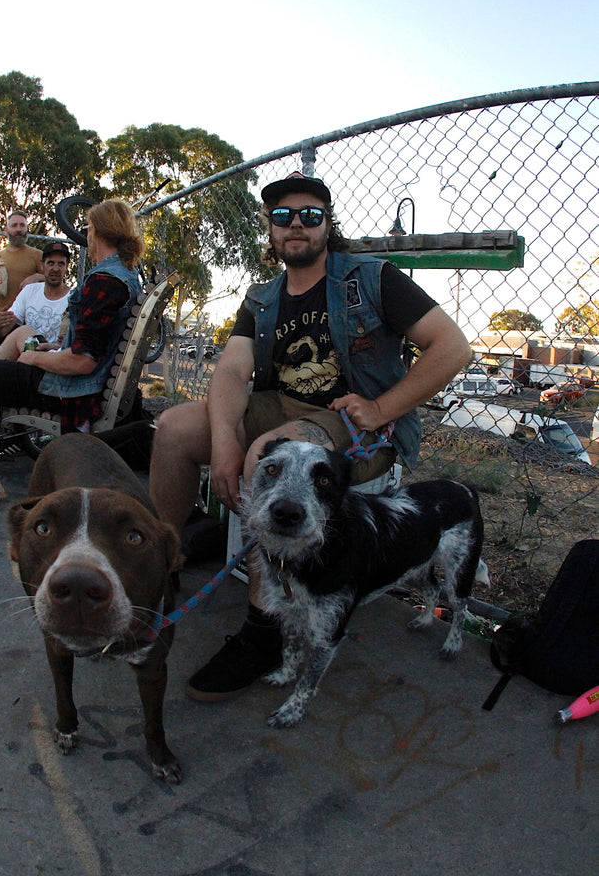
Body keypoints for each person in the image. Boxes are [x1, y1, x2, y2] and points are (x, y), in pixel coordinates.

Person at [148, 171, 472, 702]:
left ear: (327, 225)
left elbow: (452, 347)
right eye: (282, 217)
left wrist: (381, 407)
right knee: (176, 426)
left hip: (351, 422)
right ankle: (160, 565)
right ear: (270, 230)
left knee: (268, 454)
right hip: (282, 407)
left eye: (310, 215)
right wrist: (223, 444)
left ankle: (262, 632)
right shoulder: (261, 298)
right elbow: (231, 372)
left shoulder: (373, 278)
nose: (295, 224)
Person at [0, 200, 144, 507]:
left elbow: (82, 361)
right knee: (20, 334)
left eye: (89, 227)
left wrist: (35, 358)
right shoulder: (123, 275)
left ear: (96, 232)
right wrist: (51, 349)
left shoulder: (104, 282)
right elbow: (88, 348)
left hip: (68, 391)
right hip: (80, 382)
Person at [0, 241, 72, 361]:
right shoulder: (30, 291)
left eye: (61, 264)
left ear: (66, 267)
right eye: (51, 263)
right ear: (43, 265)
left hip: (50, 358)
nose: (55, 268)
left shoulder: (74, 298)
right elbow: (4, 329)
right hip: (22, 350)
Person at [0, 210, 43, 345]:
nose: (18, 230)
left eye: (22, 225)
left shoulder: (37, 255)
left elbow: (55, 281)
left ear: (27, 228)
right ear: (6, 229)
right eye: (14, 226)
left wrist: (38, 277)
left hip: (23, 322)